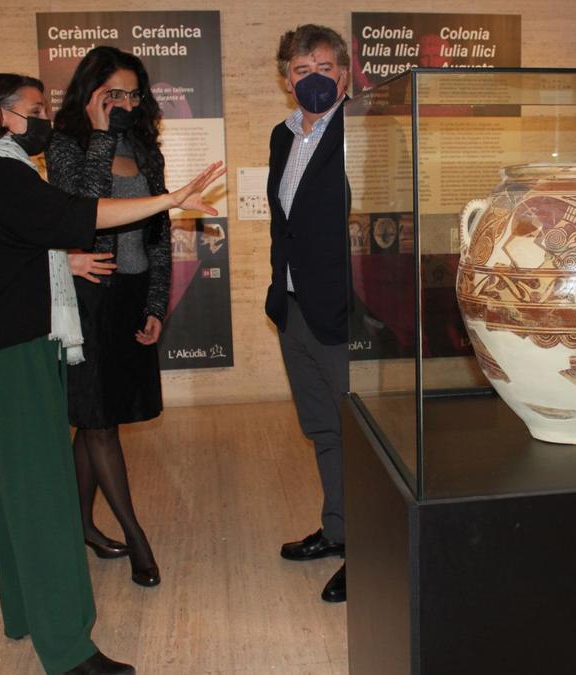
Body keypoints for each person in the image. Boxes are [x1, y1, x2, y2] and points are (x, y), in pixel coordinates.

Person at [0, 72, 223, 675]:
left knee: (15, 488)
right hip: (16, 349)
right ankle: (69, 651)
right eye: (33, 109)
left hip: (6, 346)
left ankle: (22, 611)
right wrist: (169, 200)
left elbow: (11, 248)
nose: (44, 118)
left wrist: (63, 259)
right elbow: (82, 210)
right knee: (47, 495)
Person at [46, 46, 171, 588]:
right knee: (100, 423)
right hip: (90, 294)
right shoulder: (66, 144)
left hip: (131, 294)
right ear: (91, 91)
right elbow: (81, 213)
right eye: (112, 93)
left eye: (131, 94)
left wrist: (155, 304)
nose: (123, 103)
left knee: (97, 415)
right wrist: (99, 134)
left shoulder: (146, 148)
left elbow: (159, 234)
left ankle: (80, 527)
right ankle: (136, 535)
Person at [265, 25, 351, 603]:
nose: (313, 77)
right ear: (286, 79)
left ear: (344, 72)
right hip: (293, 305)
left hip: (346, 312)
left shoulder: (364, 130)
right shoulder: (282, 134)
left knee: (361, 437)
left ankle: (372, 547)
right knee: (323, 429)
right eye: (301, 70)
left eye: (323, 65)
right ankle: (341, 530)